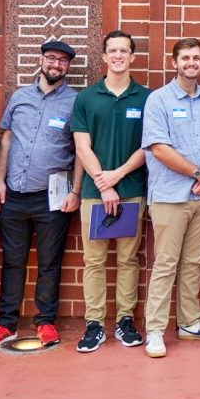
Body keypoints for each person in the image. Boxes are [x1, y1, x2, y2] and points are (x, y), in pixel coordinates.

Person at [0, 40, 81, 351]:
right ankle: (5, 323)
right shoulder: (20, 97)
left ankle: (45, 322)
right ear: (41, 59)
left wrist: (75, 191)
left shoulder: (76, 102)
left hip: (52, 198)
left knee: (50, 263)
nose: (56, 64)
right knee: (13, 262)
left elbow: (80, 150)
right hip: (14, 194)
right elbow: (6, 140)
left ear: (68, 67)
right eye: (51, 58)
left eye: (63, 61)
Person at [140, 38, 200, 357]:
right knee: (165, 263)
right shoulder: (159, 100)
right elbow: (158, 148)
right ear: (174, 63)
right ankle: (154, 330)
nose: (191, 62)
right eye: (185, 58)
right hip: (170, 196)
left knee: (194, 262)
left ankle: (190, 323)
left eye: (196, 57)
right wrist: (199, 173)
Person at [71, 30, 152, 353]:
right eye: (113, 51)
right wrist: (104, 183)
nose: (119, 55)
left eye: (125, 50)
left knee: (129, 258)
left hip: (132, 188)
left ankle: (124, 320)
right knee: (94, 260)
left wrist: (117, 176)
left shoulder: (146, 98)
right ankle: (94, 324)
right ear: (103, 57)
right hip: (94, 192)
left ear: (133, 57)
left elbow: (150, 146)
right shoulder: (86, 98)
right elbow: (81, 145)